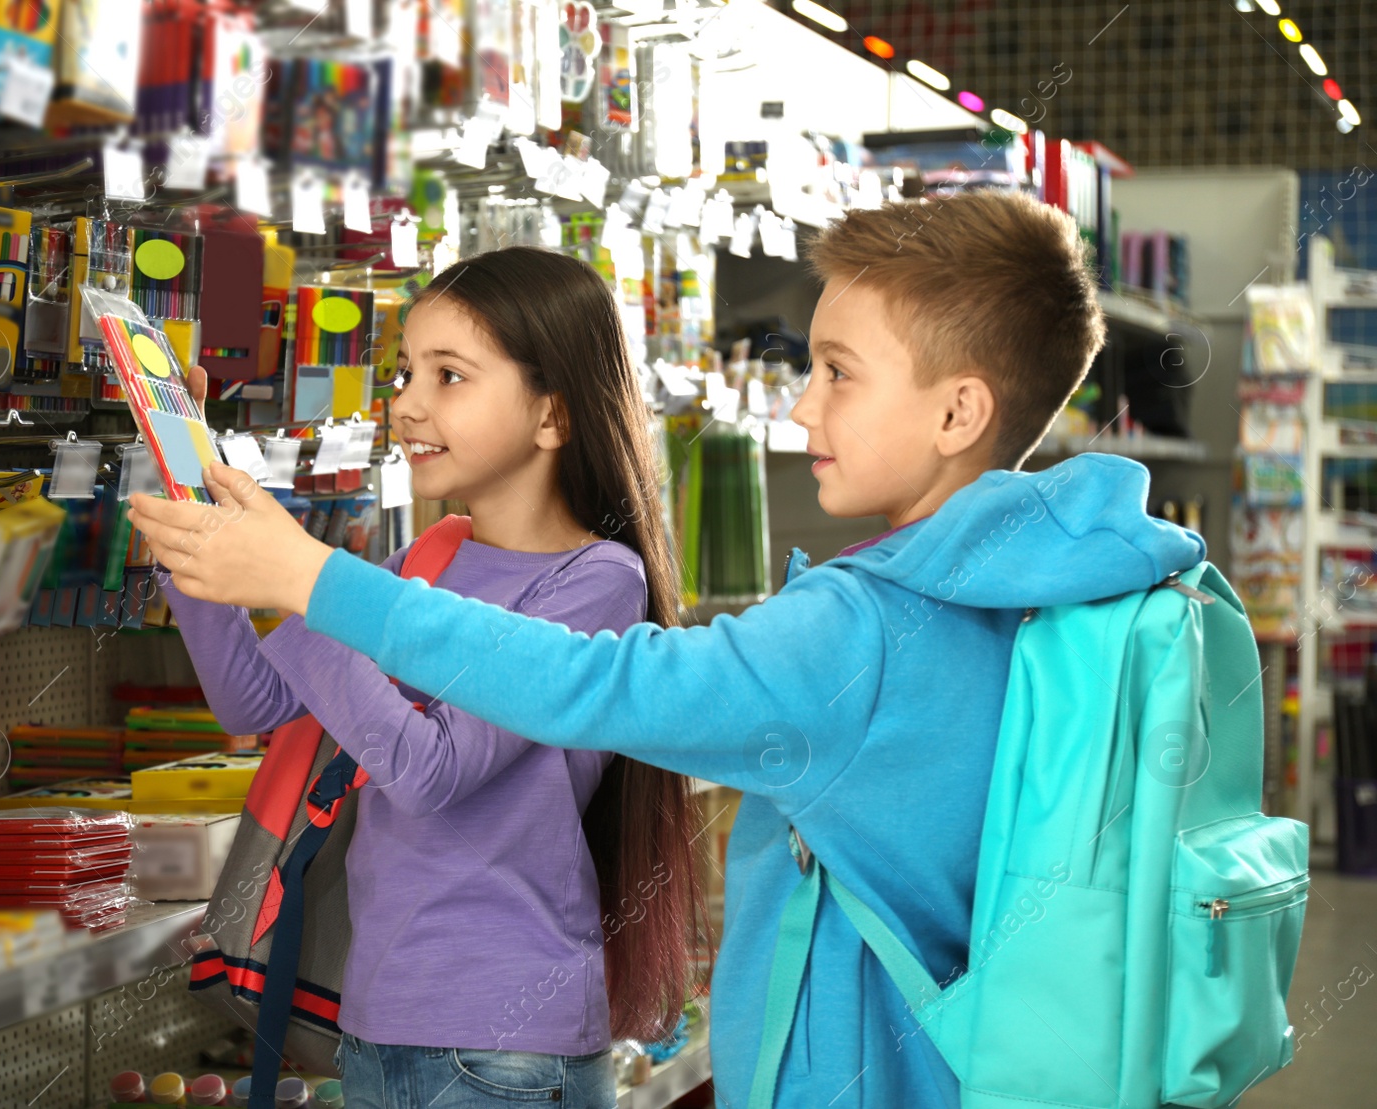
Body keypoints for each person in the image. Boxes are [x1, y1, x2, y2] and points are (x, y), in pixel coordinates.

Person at [129, 192, 1207, 1108]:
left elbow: (589, 682)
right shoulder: (1028, 584)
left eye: (837, 371)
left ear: (958, 409)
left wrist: (308, 581)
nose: (799, 401)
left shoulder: (862, 626)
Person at [153, 247, 704, 1108]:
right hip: (377, 1022)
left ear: (553, 414)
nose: (406, 402)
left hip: (505, 1047)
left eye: (449, 375)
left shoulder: (596, 583)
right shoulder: (432, 555)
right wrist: (195, 526)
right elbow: (258, 699)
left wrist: (291, 580)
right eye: (406, 370)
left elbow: (429, 770)